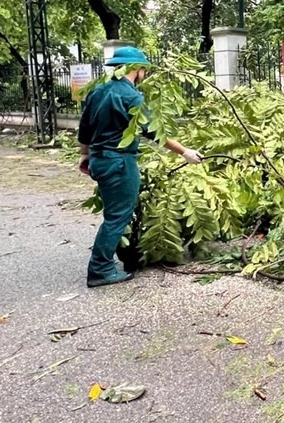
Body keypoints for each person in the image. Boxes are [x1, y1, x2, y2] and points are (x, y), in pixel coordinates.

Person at [78, 46, 203, 288]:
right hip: (120, 162)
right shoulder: (131, 96)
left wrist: (84, 155)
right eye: (143, 69)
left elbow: (84, 128)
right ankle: (100, 270)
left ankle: (104, 264)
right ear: (136, 68)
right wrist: (185, 152)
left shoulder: (97, 91)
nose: (144, 73)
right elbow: (155, 131)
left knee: (112, 213)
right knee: (118, 217)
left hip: (100, 160)